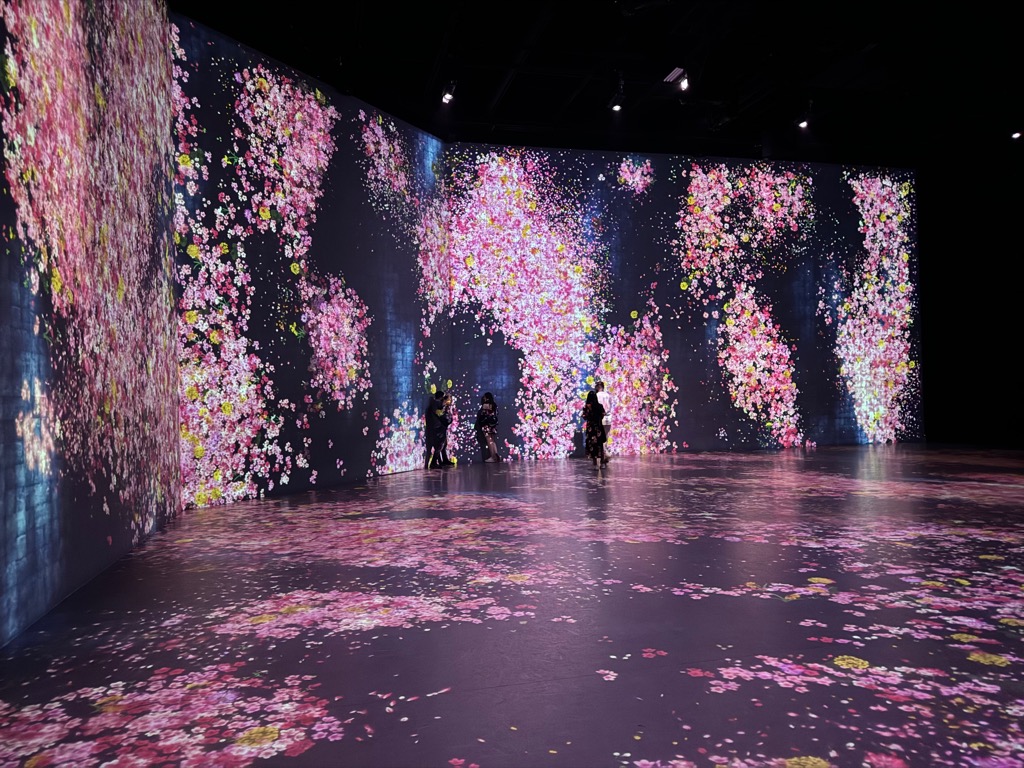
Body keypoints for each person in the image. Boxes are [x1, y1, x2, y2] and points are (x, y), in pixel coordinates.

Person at [583, 389, 607, 466]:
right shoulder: (599, 406)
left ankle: (595, 463)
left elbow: (584, 416)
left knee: (592, 444)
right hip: (599, 427)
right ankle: (602, 461)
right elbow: (603, 414)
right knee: (599, 444)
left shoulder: (587, 407)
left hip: (591, 428)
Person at [474, 392, 500, 463]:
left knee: (489, 441)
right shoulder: (494, 405)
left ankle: (493, 456)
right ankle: (496, 455)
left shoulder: (485, 405)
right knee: (493, 441)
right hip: (492, 425)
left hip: (486, 425)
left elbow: (483, 415)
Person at [424, 390, 445, 469]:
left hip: (430, 430)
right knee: (437, 447)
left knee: (430, 449)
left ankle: (427, 466)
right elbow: (440, 414)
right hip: (434, 430)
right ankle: (433, 464)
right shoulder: (435, 406)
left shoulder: (430, 406)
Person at [595, 380, 613, 462]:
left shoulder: (596, 396)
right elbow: (610, 406)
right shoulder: (607, 395)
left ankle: (603, 454)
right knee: (605, 437)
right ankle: (605, 454)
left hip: (599, 418)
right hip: (608, 417)